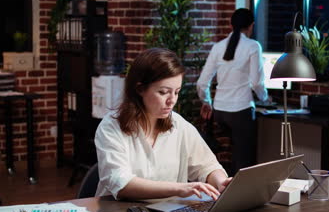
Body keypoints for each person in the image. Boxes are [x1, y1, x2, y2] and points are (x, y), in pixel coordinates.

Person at [95, 48, 231, 200]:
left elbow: (207, 166)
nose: (172, 100)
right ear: (140, 89)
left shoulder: (179, 125)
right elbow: (121, 184)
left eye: (176, 92)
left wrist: (221, 183)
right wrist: (180, 189)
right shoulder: (111, 126)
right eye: (163, 92)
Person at [196, 8, 269, 176]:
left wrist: (207, 102)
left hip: (220, 112)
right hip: (240, 111)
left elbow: (201, 83)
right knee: (244, 158)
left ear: (231, 25)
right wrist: (264, 98)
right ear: (251, 26)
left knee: (235, 153)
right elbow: (257, 82)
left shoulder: (218, 47)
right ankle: (239, 196)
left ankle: (227, 188)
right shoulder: (253, 46)